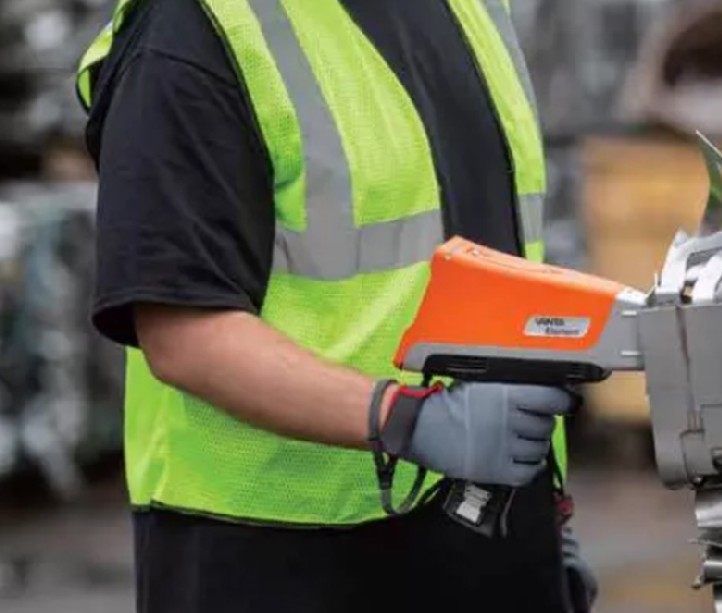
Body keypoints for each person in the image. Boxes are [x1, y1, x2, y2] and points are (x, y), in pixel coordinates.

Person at [76, 0, 599, 611]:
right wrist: (413, 420)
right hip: (278, 560)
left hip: (491, 537)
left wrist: (546, 517)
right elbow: (183, 333)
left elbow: (499, 245)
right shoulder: (194, 29)